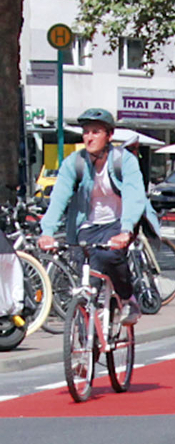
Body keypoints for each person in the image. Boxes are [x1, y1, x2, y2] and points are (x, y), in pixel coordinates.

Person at [37, 107, 145, 325]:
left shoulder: (124, 161)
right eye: (86, 132)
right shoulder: (74, 163)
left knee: (111, 257)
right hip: (86, 226)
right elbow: (59, 197)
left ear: (109, 135)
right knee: (87, 279)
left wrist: (126, 230)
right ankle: (88, 345)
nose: (89, 137)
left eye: (96, 132)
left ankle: (127, 297)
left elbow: (134, 195)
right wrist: (47, 232)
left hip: (118, 222)